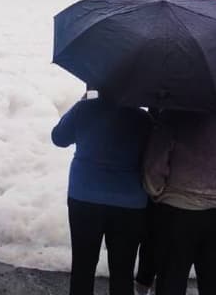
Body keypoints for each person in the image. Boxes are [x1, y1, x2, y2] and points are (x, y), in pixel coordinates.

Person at [143, 106, 216, 295]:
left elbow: (155, 165)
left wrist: (156, 192)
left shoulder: (174, 114)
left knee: (171, 279)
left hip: (177, 209)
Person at [52, 95, 153, 295]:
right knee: (123, 272)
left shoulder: (84, 109)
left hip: (84, 197)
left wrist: (80, 104)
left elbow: (59, 138)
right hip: (130, 204)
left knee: (83, 266)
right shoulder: (144, 120)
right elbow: (152, 158)